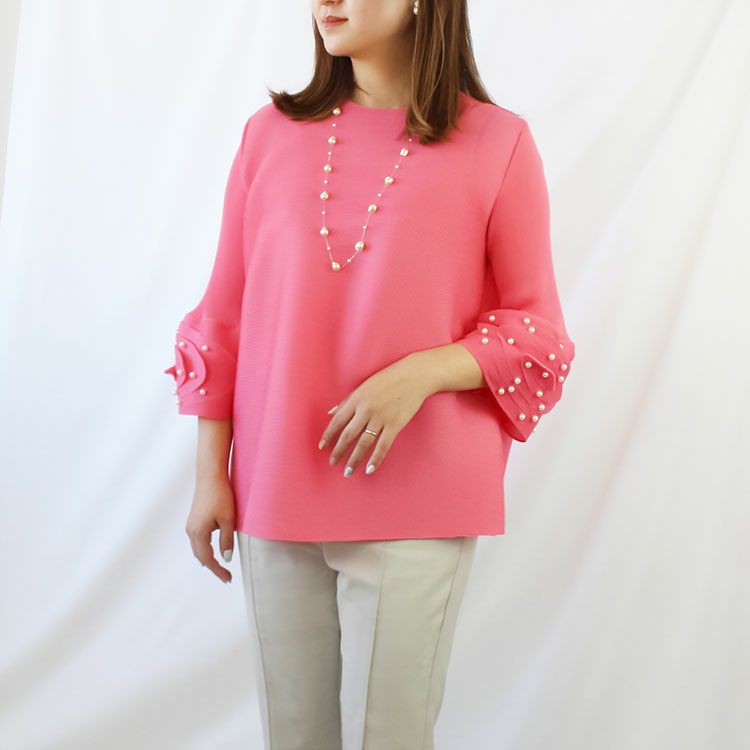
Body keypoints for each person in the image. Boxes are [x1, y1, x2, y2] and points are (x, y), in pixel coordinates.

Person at [163, 0, 575, 747]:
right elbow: (222, 315)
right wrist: (209, 474)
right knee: (294, 735)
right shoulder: (266, 136)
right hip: (276, 485)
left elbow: (537, 334)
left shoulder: (499, 142)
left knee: (391, 736)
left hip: (420, 491)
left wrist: (422, 372)